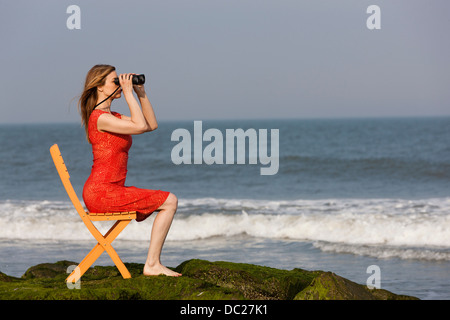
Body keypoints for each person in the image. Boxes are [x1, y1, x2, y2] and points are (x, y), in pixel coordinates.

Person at [78, 64, 181, 277]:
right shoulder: (100, 118)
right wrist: (127, 93)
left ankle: (153, 263)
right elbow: (139, 126)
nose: (118, 84)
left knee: (168, 201)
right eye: (114, 81)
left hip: (110, 190)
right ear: (99, 87)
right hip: (101, 192)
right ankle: (152, 264)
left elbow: (151, 124)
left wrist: (140, 93)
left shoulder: (112, 116)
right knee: (169, 200)